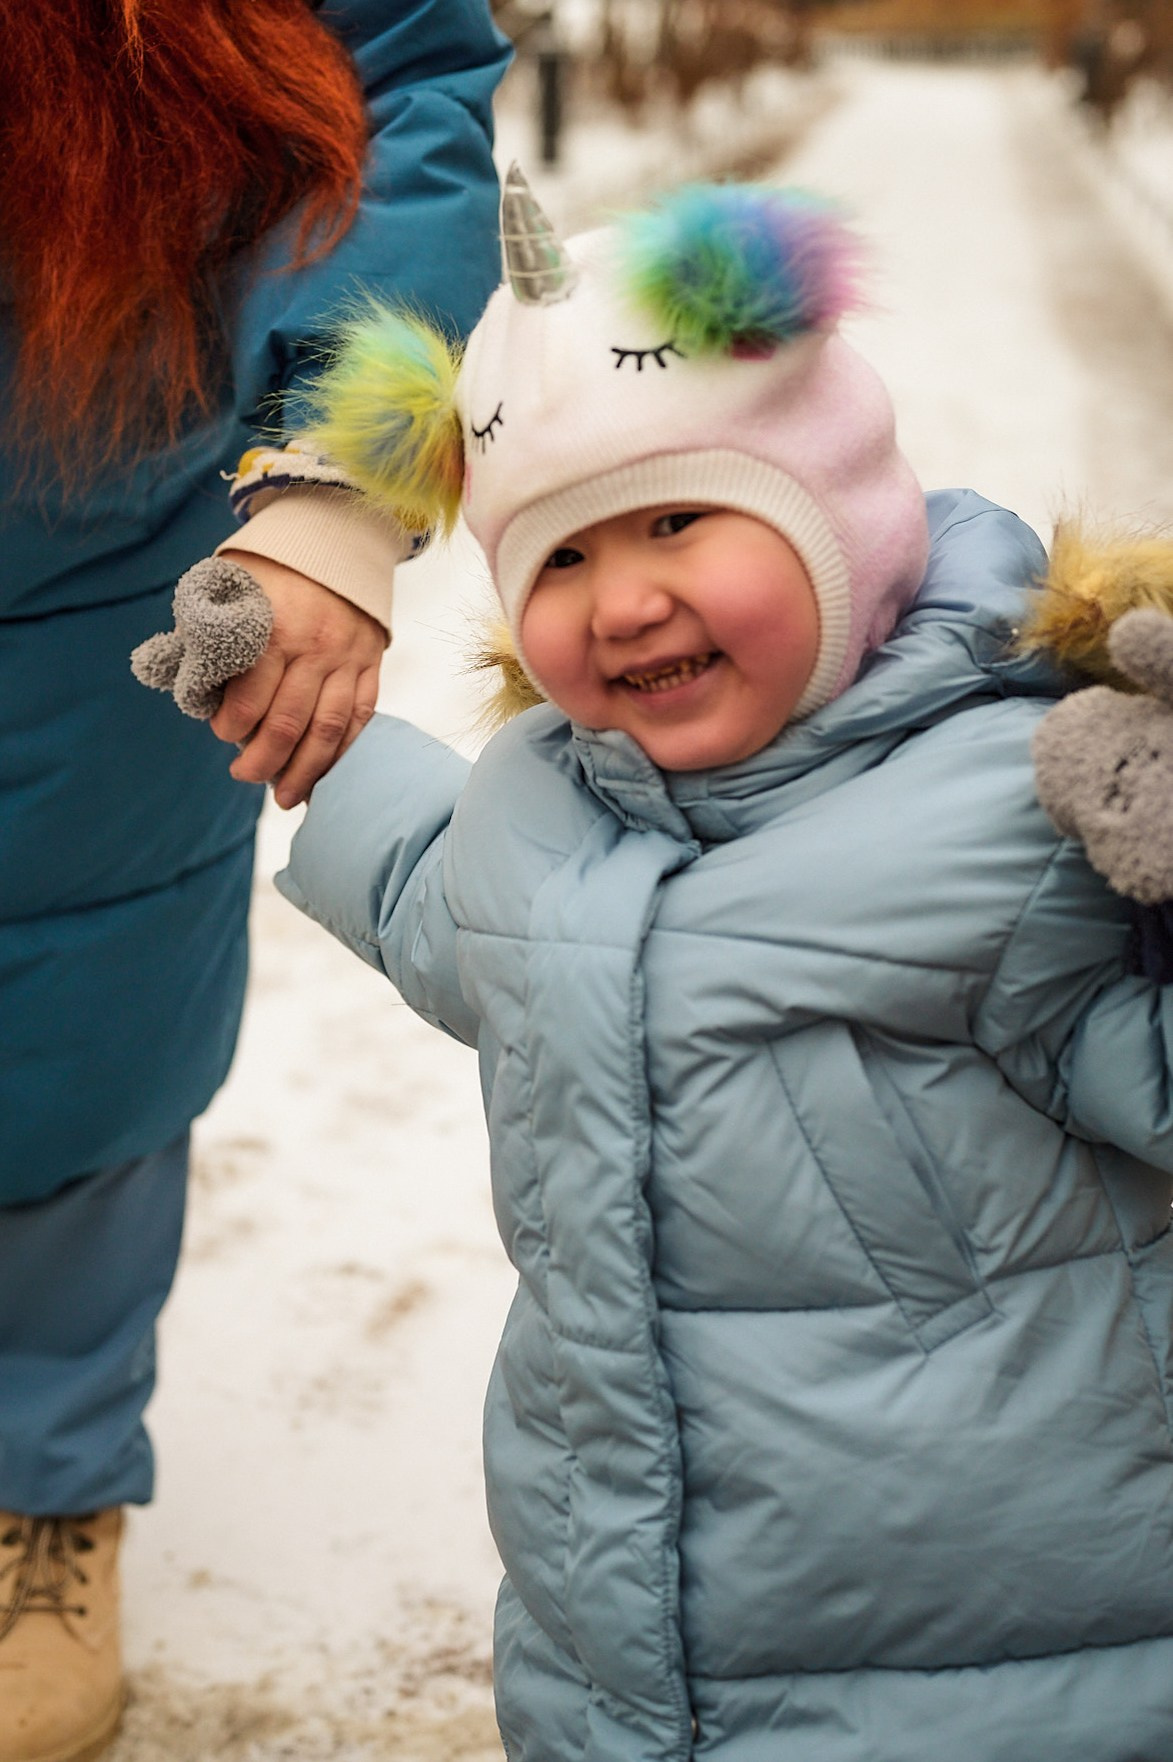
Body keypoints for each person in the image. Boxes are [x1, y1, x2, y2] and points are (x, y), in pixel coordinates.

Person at [232, 177, 1173, 1757]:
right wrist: (313, 750)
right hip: (620, 1643)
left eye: (679, 519)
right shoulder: (551, 800)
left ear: (841, 525)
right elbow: (455, 909)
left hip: (1005, 1657)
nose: (626, 598)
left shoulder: (1017, 812)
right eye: (563, 557)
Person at [0, 4, 509, 1760]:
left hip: (118, 546)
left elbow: (404, 81)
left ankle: (48, 1497)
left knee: (80, 1048)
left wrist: (334, 479)